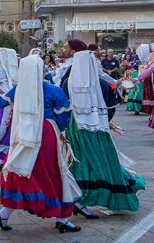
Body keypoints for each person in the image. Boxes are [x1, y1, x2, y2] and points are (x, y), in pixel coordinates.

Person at [0, 55, 82, 233]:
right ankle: (61, 218)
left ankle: (4, 213)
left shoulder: (19, 89)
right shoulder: (54, 90)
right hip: (46, 134)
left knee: (22, 172)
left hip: (23, 134)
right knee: (51, 173)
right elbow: (64, 117)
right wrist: (56, 130)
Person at [62, 50, 145, 214]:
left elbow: (63, 108)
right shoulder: (103, 84)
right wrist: (103, 122)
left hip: (75, 128)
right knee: (104, 159)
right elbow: (112, 106)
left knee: (79, 161)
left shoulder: (67, 83)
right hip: (99, 128)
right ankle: (106, 193)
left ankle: (79, 195)